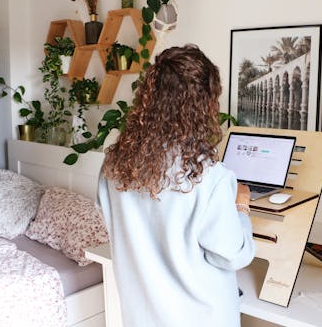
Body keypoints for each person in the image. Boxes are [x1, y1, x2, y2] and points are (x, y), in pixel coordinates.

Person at [98, 44, 256, 327]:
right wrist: (241, 206)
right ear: (204, 105)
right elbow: (233, 255)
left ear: (150, 97)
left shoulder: (115, 165)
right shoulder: (208, 176)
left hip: (142, 316)